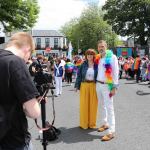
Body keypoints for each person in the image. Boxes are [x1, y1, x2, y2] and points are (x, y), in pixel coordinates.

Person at [0, 32, 41, 149]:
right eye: (30, 54)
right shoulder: (15, 62)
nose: (28, 59)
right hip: (12, 139)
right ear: (27, 48)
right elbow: (34, 112)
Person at [96, 40, 119, 141]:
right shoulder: (99, 58)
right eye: (99, 47)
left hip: (107, 86)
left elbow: (115, 72)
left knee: (110, 108)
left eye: (102, 46)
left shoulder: (112, 57)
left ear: (106, 47)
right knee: (102, 106)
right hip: (98, 84)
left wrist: (114, 87)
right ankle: (105, 123)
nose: (101, 48)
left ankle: (111, 132)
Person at [75, 49, 98, 129]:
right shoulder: (82, 64)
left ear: (94, 56)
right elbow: (79, 76)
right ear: (86, 56)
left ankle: (92, 124)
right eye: (88, 54)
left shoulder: (97, 65)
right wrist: (77, 86)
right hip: (84, 85)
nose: (89, 56)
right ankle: (84, 123)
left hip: (93, 85)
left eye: (91, 55)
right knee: (84, 105)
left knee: (93, 105)